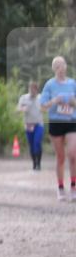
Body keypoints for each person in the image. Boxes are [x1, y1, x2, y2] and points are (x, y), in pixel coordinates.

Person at [40, 56, 76, 202]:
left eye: (63, 65)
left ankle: (74, 187)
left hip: (71, 121)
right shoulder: (49, 85)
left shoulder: (73, 83)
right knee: (60, 157)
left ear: (66, 67)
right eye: (58, 66)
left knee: (73, 154)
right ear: (54, 68)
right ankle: (60, 188)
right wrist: (55, 101)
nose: (61, 68)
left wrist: (73, 102)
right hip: (56, 122)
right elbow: (43, 106)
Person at [16, 81, 44, 170]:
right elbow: (18, 109)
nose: (32, 91)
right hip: (29, 124)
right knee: (31, 144)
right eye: (30, 89)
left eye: (34, 89)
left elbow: (47, 107)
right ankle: (34, 163)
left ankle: (39, 163)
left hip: (39, 124)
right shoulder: (24, 98)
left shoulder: (41, 98)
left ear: (37, 90)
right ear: (28, 89)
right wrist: (22, 109)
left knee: (37, 142)